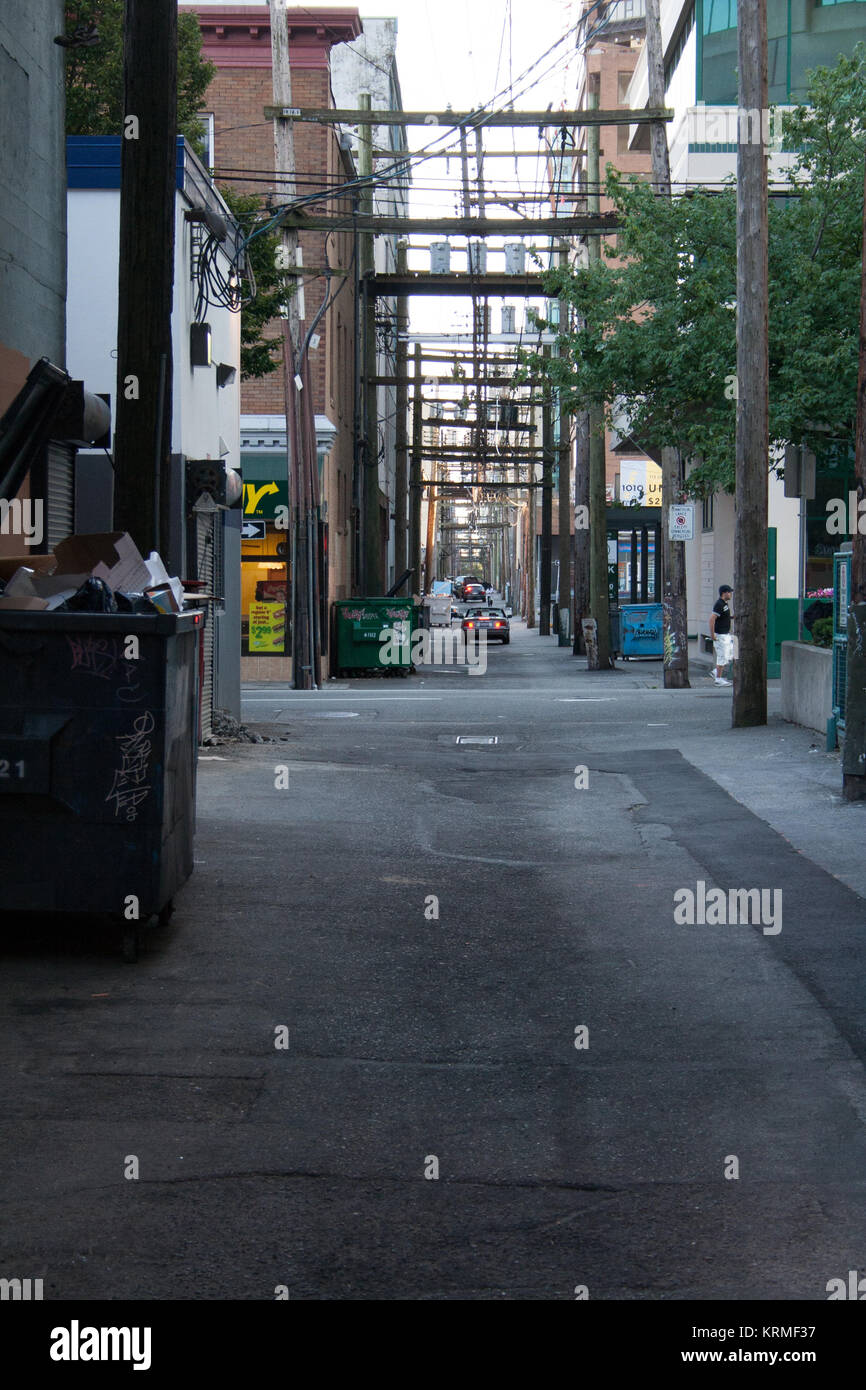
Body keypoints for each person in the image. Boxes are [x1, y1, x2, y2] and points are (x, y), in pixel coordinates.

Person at [709, 584, 733, 686]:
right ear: (724, 593)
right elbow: (712, 619)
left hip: (726, 634)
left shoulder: (725, 604)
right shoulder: (719, 604)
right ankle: (718, 679)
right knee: (722, 656)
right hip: (720, 635)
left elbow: (723, 617)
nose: (731, 594)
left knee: (731, 653)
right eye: (729, 592)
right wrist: (712, 635)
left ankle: (715, 671)